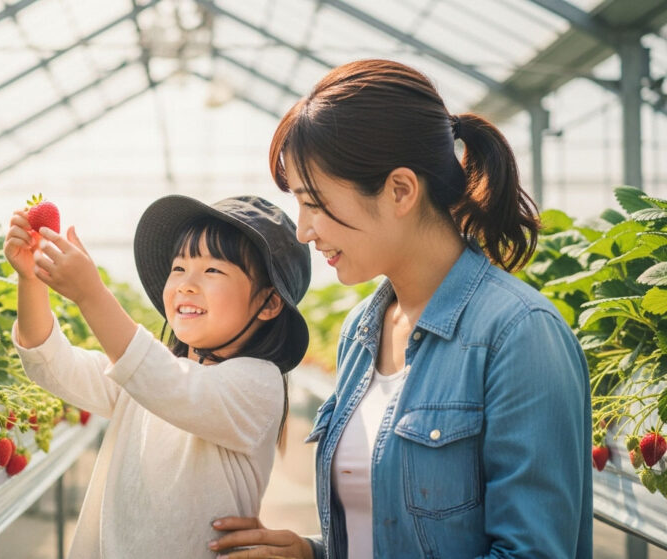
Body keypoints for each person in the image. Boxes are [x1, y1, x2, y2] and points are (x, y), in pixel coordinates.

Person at [209, 59, 592, 558]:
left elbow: (533, 553)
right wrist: (313, 554)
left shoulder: (519, 335)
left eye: (315, 202)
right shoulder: (359, 332)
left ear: (400, 191)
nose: (304, 230)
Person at [5, 194, 312, 558]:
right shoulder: (147, 379)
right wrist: (30, 280)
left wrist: (90, 294)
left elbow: (163, 380)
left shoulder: (257, 384)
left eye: (213, 270)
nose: (186, 284)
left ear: (269, 303)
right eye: (179, 268)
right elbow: (54, 365)